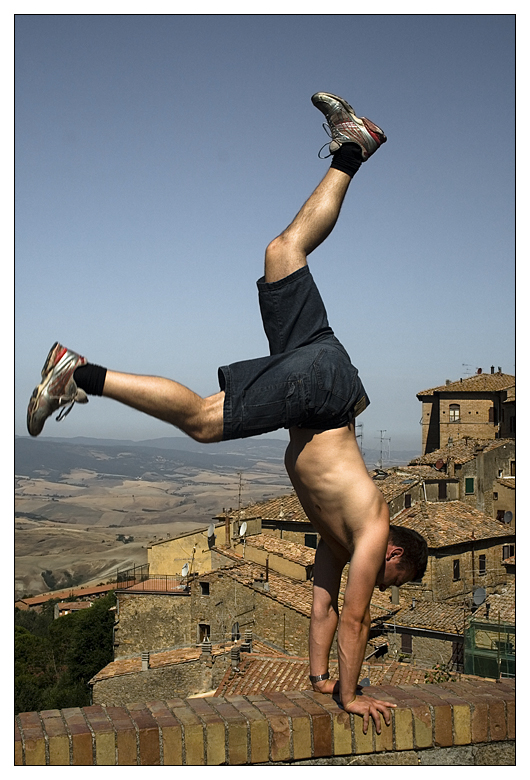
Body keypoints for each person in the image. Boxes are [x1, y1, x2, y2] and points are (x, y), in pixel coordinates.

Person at [27, 92, 428, 734]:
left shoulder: (339, 538)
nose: (386, 591)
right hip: (321, 391)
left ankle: (353, 147)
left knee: (280, 251)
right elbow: (356, 618)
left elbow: (324, 609)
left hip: (324, 378)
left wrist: (322, 677)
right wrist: (352, 699)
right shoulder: (374, 532)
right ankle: (79, 373)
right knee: (206, 423)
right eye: (397, 583)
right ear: (398, 557)